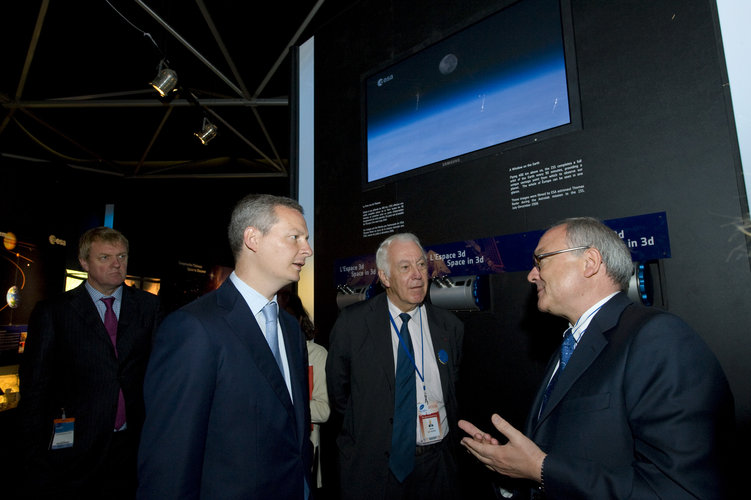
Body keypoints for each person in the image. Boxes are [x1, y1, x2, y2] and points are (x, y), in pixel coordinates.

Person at [459, 217, 735, 499]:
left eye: (541, 260)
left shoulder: (658, 338)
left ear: (589, 262)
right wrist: (512, 467)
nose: (531, 274)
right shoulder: (570, 346)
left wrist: (540, 469)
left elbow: (680, 489)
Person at [137, 194, 314, 499]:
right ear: (253, 239)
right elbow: (170, 461)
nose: (307, 250)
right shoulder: (194, 328)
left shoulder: (289, 328)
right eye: (294, 237)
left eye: (306, 239)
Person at [19, 226, 161, 499]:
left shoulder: (148, 307)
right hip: (74, 445)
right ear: (84, 262)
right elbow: (35, 383)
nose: (117, 264)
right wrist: (32, 449)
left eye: (122, 256)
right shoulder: (55, 311)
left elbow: (158, 372)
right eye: (105, 257)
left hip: (131, 443)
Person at [326, 232, 464, 500]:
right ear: (385, 277)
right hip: (376, 469)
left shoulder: (450, 327)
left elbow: (455, 392)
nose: (417, 274)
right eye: (405, 267)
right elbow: (340, 396)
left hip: (437, 468)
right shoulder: (353, 325)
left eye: (422, 264)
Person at [282, 290, 330, 491]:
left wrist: (285, 404)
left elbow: (323, 410)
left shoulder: (316, 354)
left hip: (303, 450)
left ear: (299, 319)